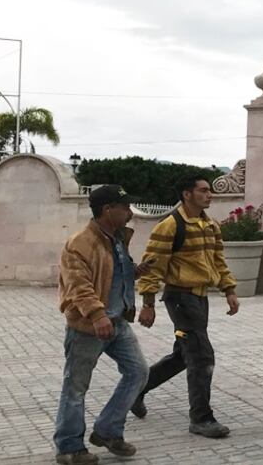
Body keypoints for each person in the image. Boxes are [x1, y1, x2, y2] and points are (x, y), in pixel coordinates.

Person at [132, 174, 240, 438]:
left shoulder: (210, 225)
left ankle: (135, 390)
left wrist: (229, 290)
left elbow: (218, 261)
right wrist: (147, 303)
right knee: (202, 355)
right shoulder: (170, 226)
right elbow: (152, 266)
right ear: (187, 194)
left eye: (210, 190)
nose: (209, 194)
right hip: (180, 299)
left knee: (184, 355)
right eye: (203, 190)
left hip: (199, 299)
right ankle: (201, 419)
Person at [54, 185, 149, 465]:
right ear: (108, 210)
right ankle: (69, 447)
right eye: (124, 207)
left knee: (138, 372)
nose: (130, 212)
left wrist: (136, 272)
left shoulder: (116, 239)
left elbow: (112, 273)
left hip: (117, 322)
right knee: (76, 387)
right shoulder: (80, 243)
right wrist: (97, 315)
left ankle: (108, 430)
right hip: (88, 326)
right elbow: (79, 285)